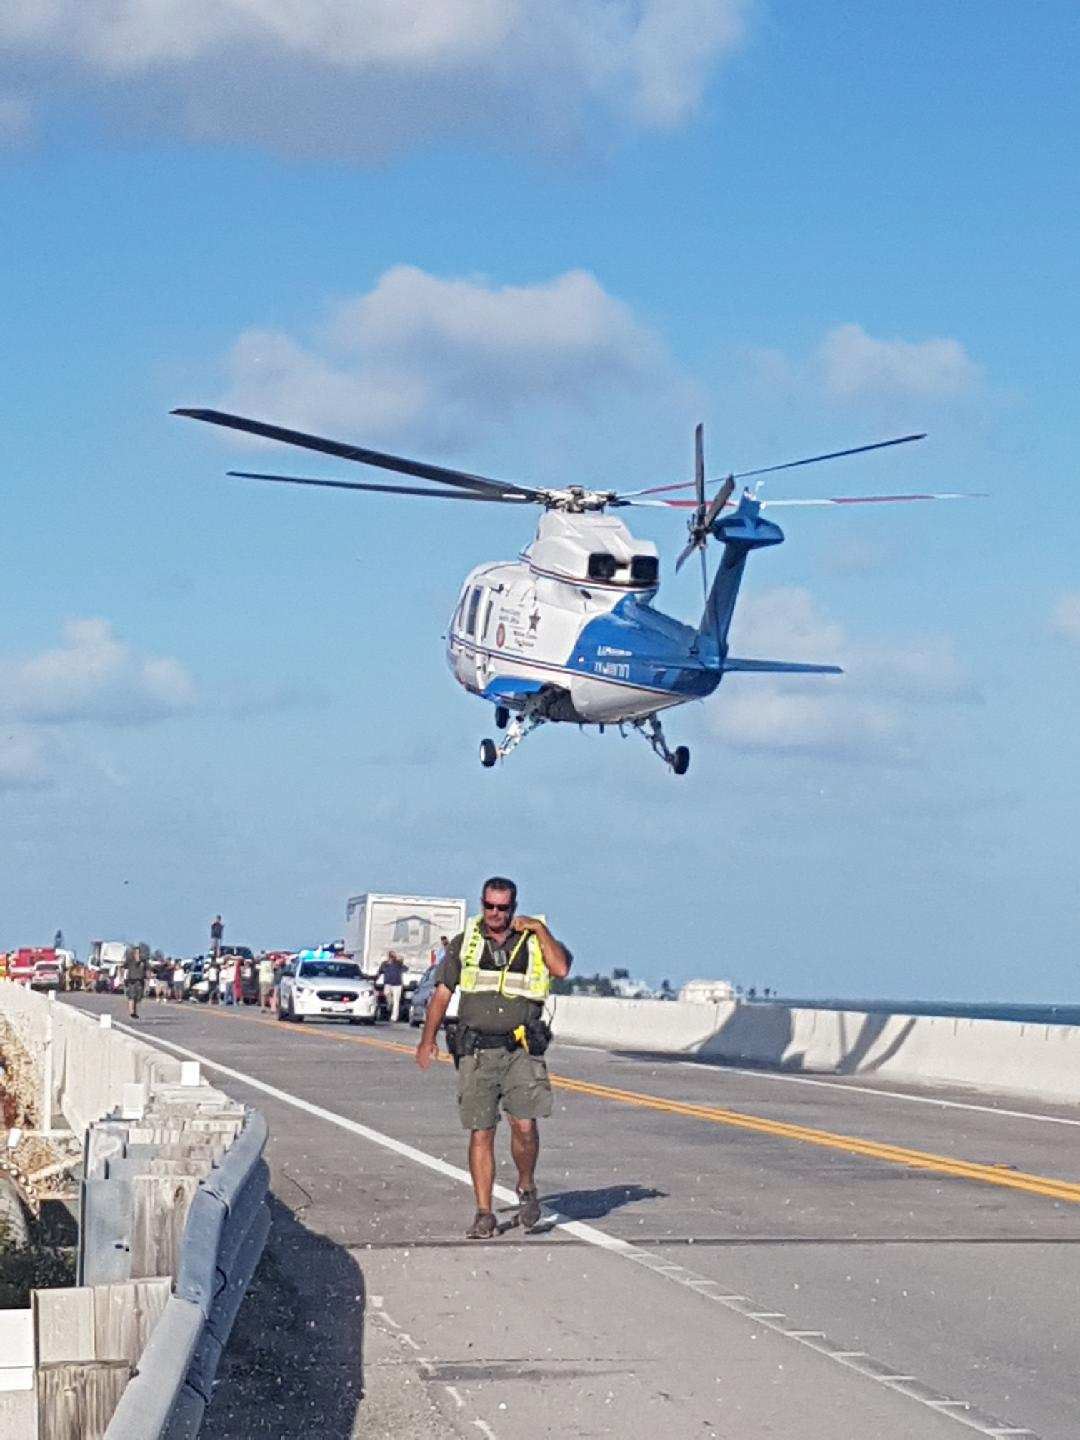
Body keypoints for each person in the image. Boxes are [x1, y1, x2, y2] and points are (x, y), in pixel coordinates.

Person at [415, 876, 570, 1239]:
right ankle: (484, 1213)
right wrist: (427, 1039)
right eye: (489, 906)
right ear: (482, 904)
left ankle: (527, 1186)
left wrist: (539, 928)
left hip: (521, 1049)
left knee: (525, 1126)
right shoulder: (465, 943)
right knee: (481, 1131)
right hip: (477, 1051)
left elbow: (561, 969)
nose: (495, 913)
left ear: (514, 908)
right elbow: (441, 994)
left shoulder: (532, 940)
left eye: (503, 907)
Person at [377, 951, 406, 1023]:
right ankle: (390, 1003)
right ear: (389, 956)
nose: (392, 958)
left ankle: (394, 1017)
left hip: (397, 985)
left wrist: (401, 960)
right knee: (386, 994)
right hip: (388, 984)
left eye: (393, 956)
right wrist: (376, 977)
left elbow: (405, 968)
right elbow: (380, 971)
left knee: (396, 1001)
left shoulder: (398, 963)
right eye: (391, 956)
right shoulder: (385, 964)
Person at [123, 946, 147, 1020]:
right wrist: (123, 978)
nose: (137, 954)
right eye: (136, 952)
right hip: (132, 981)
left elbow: (146, 970)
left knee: (137, 998)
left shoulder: (143, 961)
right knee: (132, 997)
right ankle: (132, 1012)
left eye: (139, 952)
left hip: (140, 981)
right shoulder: (130, 960)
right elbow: (123, 968)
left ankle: (134, 1012)